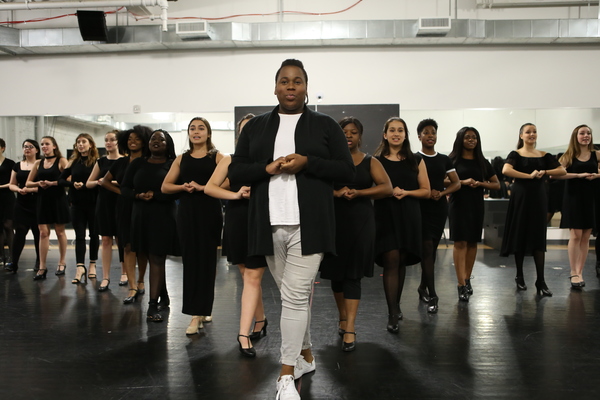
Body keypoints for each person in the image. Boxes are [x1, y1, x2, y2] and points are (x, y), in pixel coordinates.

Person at [229, 59, 354, 400]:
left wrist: (308, 163)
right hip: (268, 225)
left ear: (306, 87)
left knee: (295, 297)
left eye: (297, 81)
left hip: (309, 226)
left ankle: (285, 375)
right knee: (291, 299)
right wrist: (266, 168)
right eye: (284, 80)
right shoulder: (255, 129)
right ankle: (307, 356)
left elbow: (346, 170)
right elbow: (237, 172)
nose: (290, 86)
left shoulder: (325, 125)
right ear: (275, 87)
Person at [320, 116, 392, 351]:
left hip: (361, 223)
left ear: (360, 136)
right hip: (332, 224)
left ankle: (350, 327)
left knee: (353, 275)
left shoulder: (370, 161)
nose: (348, 136)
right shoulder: (330, 161)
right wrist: (336, 193)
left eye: (353, 132)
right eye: (344, 132)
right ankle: (342, 317)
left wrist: (359, 193)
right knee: (336, 274)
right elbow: (317, 189)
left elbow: (386, 188)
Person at [204, 113, 269, 357]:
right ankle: (260, 320)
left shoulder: (268, 160)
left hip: (261, 219)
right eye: (245, 129)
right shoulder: (230, 160)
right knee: (247, 275)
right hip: (237, 219)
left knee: (252, 276)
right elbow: (210, 188)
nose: (249, 133)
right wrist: (236, 194)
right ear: (239, 134)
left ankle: (243, 334)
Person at [162, 117, 225, 336]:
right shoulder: (181, 159)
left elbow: (228, 182)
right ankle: (195, 312)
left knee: (207, 261)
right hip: (187, 213)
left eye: (201, 128)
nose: (196, 132)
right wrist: (184, 186)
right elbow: (166, 187)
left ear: (208, 133)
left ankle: (202, 310)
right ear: (188, 133)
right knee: (190, 261)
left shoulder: (217, 157)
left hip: (209, 212)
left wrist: (204, 186)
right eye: (192, 128)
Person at [374, 117, 430, 333]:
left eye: (400, 130)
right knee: (391, 258)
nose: (396, 133)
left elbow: (425, 190)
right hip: (385, 214)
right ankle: (392, 312)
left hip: (409, 214)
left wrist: (405, 192)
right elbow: (373, 187)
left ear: (405, 134)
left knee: (402, 260)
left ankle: (396, 308)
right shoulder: (376, 160)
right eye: (392, 130)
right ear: (385, 134)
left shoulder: (415, 160)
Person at [500, 123, 566, 296]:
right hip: (521, 197)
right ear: (521, 135)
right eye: (528, 132)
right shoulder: (516, 154)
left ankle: (541, 281)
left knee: (538, 236)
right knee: (520, 234)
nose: (532, 134)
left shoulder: (544, 155)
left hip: (538, 197)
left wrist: (544, 172)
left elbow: (561, 170)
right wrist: (528, 176)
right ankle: (519, 276)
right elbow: (506, 169)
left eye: (534, 131)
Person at [122, 129, 180, 322]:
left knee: (157, 257)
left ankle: (152, 305)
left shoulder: (173, 164)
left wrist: (156, 195)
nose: (156, 141)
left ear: (168, 144)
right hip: (140, 216)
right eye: (153, 138)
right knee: (149, 255)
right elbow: (124, 187)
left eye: (161, 139)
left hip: (163, 216)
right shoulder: (138, 163)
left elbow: (178, 190)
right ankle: (163, 296)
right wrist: (137, 195)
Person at [448, 127, 500, 301]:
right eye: (467, 137)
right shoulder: (452, 160)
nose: (471, 140)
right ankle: (460, 283)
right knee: (460, 242)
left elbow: (496, 184)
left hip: (476, 204)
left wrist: (479, 183)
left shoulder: (482, 161)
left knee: (472, 242)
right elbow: (442, 179)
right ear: (460, 139)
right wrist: (462, 182)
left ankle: (468, 279)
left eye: (474, 137)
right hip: (458, 204)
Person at [102, 127, 151, 304]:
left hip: (144, 206)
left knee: (142, 247)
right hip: (124, 206)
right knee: (128, 246)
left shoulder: (148, 162)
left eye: (137, 139)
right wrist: (122, 192)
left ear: (144, 141)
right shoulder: (120, 163)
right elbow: (105, 182)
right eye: (130, 138)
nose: (132, 141)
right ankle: (131, 286)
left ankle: (140, 281)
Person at [416, 119, 460, 313]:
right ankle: (433, 293)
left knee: (432, 250)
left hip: (439, 207)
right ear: (419, 137)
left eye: (433, 132)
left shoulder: (444, 159)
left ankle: (422, 287)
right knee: (426, 249)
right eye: (426, 132)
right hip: (420, 207)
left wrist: (442, 193)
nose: (430, 135)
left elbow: (456, 183)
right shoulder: (414, 157)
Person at [552, 125, 599, 289]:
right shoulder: (568, 156)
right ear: (575, 136)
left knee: (586, 236)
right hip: (573, 198)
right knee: (576, 235)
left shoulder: (596, 154)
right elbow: (554, 173)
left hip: (590, 197)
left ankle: (580, 272)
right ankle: (573, 272)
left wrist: (597, 175)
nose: (586, 136)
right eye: (582, 133)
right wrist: (578, 175)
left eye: (588, 133)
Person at [26, 136, 70, 280]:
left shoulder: (62, 161)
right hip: (43, 200)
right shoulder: (38, 163)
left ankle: (62, 261)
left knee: (59, 232)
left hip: (58, 199)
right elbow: (28, 183)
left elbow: (69, 180)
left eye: (47, 144)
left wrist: (53, 183)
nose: (44, 146)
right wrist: (39, 183)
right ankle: (42, 266)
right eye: (42, 144)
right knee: (43, 233)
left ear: (54, 146)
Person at [86, 130, 124, 292]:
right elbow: (89, 183)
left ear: (118, 142)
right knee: (106, 239)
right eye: (106, 140)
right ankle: (106, 276)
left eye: (112, 140)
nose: (108, 143)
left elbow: (129, 184)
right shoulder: (101, 162)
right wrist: (99, 182)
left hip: (120, 202)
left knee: (121, 239)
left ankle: (125, 272)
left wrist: (111, 182)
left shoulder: (125, 161)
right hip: (104, 204)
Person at [59, 133, 100, 285]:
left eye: (84, 142)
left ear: (90, 144)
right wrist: (72, 184)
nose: (81, 144)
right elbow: (61, 180)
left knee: (94, 235)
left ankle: (93, 264)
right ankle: (79, 267)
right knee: (80, 235)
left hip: (94, 202)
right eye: (78, 142)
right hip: (77, 203)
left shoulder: (97, 161)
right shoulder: (73, 161)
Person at [6, 140, 41, 274]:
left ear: (36, 150)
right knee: (20, 232)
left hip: (37, 202)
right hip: (22, 203)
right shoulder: (17, 165)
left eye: (30, 147)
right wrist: (19, 190)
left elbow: (43, 185)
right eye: (25, 147)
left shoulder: (40, 165)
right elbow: (12, 184)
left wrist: (31, 190)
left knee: (39, 233)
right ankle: (14, 263)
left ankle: (40, 263)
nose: (27, 149)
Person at [0, 138, 16, 268]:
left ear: (2, 148)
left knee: (8, 226)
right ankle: (1, 256)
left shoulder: (10, 163)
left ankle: (12, 255)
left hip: (7, 197)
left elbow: (13, 182)